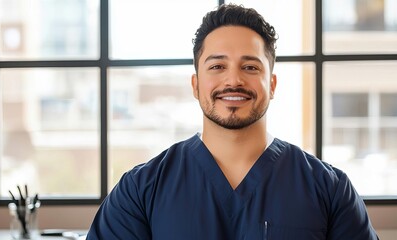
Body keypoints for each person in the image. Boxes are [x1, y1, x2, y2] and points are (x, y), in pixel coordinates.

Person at [86, 4, 378, 240]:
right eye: (217, 66)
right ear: (196, 84)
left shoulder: (329, 189)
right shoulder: (140, 191)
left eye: (250, 67)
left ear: (272, 84)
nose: (234, 80)